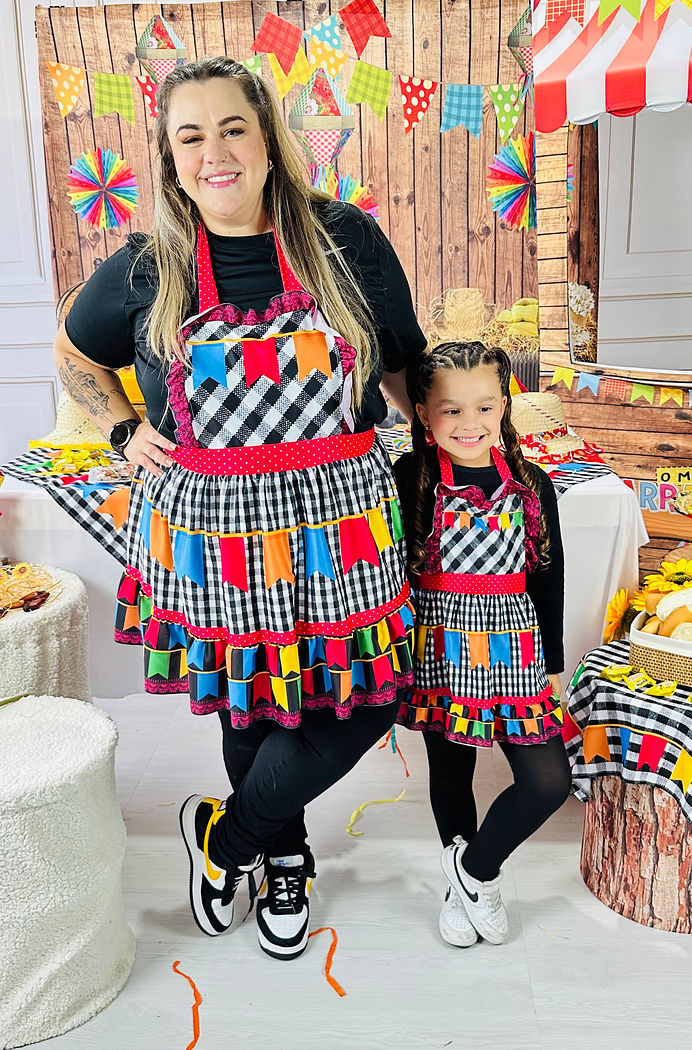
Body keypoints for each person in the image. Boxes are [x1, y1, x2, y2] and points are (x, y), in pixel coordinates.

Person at [54, 56, 425, 961]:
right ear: (171, 158)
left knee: (375, 693)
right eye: (191, 135)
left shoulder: (347, 240)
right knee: (251, 704)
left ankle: (233, 836)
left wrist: (468, 454)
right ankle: (286, 853)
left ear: (267, 141)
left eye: (233, 129)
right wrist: (118, 429)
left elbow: (405, 369)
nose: (214, 151)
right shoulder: (150, 265)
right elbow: (73, 352)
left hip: (341, 517)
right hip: (211, 525)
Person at [393, 341, 571, 948]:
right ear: (421, 412)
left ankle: (475, 871)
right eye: (450, 410)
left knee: (548, 781)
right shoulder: (407, 478)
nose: (470, 424)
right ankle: (458, 880)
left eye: (484, 407)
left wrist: (550, 661)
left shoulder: (531, 483)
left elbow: (549, 573)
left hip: (514, 646)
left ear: (504, 407)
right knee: (452, 770)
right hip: (438, 648)